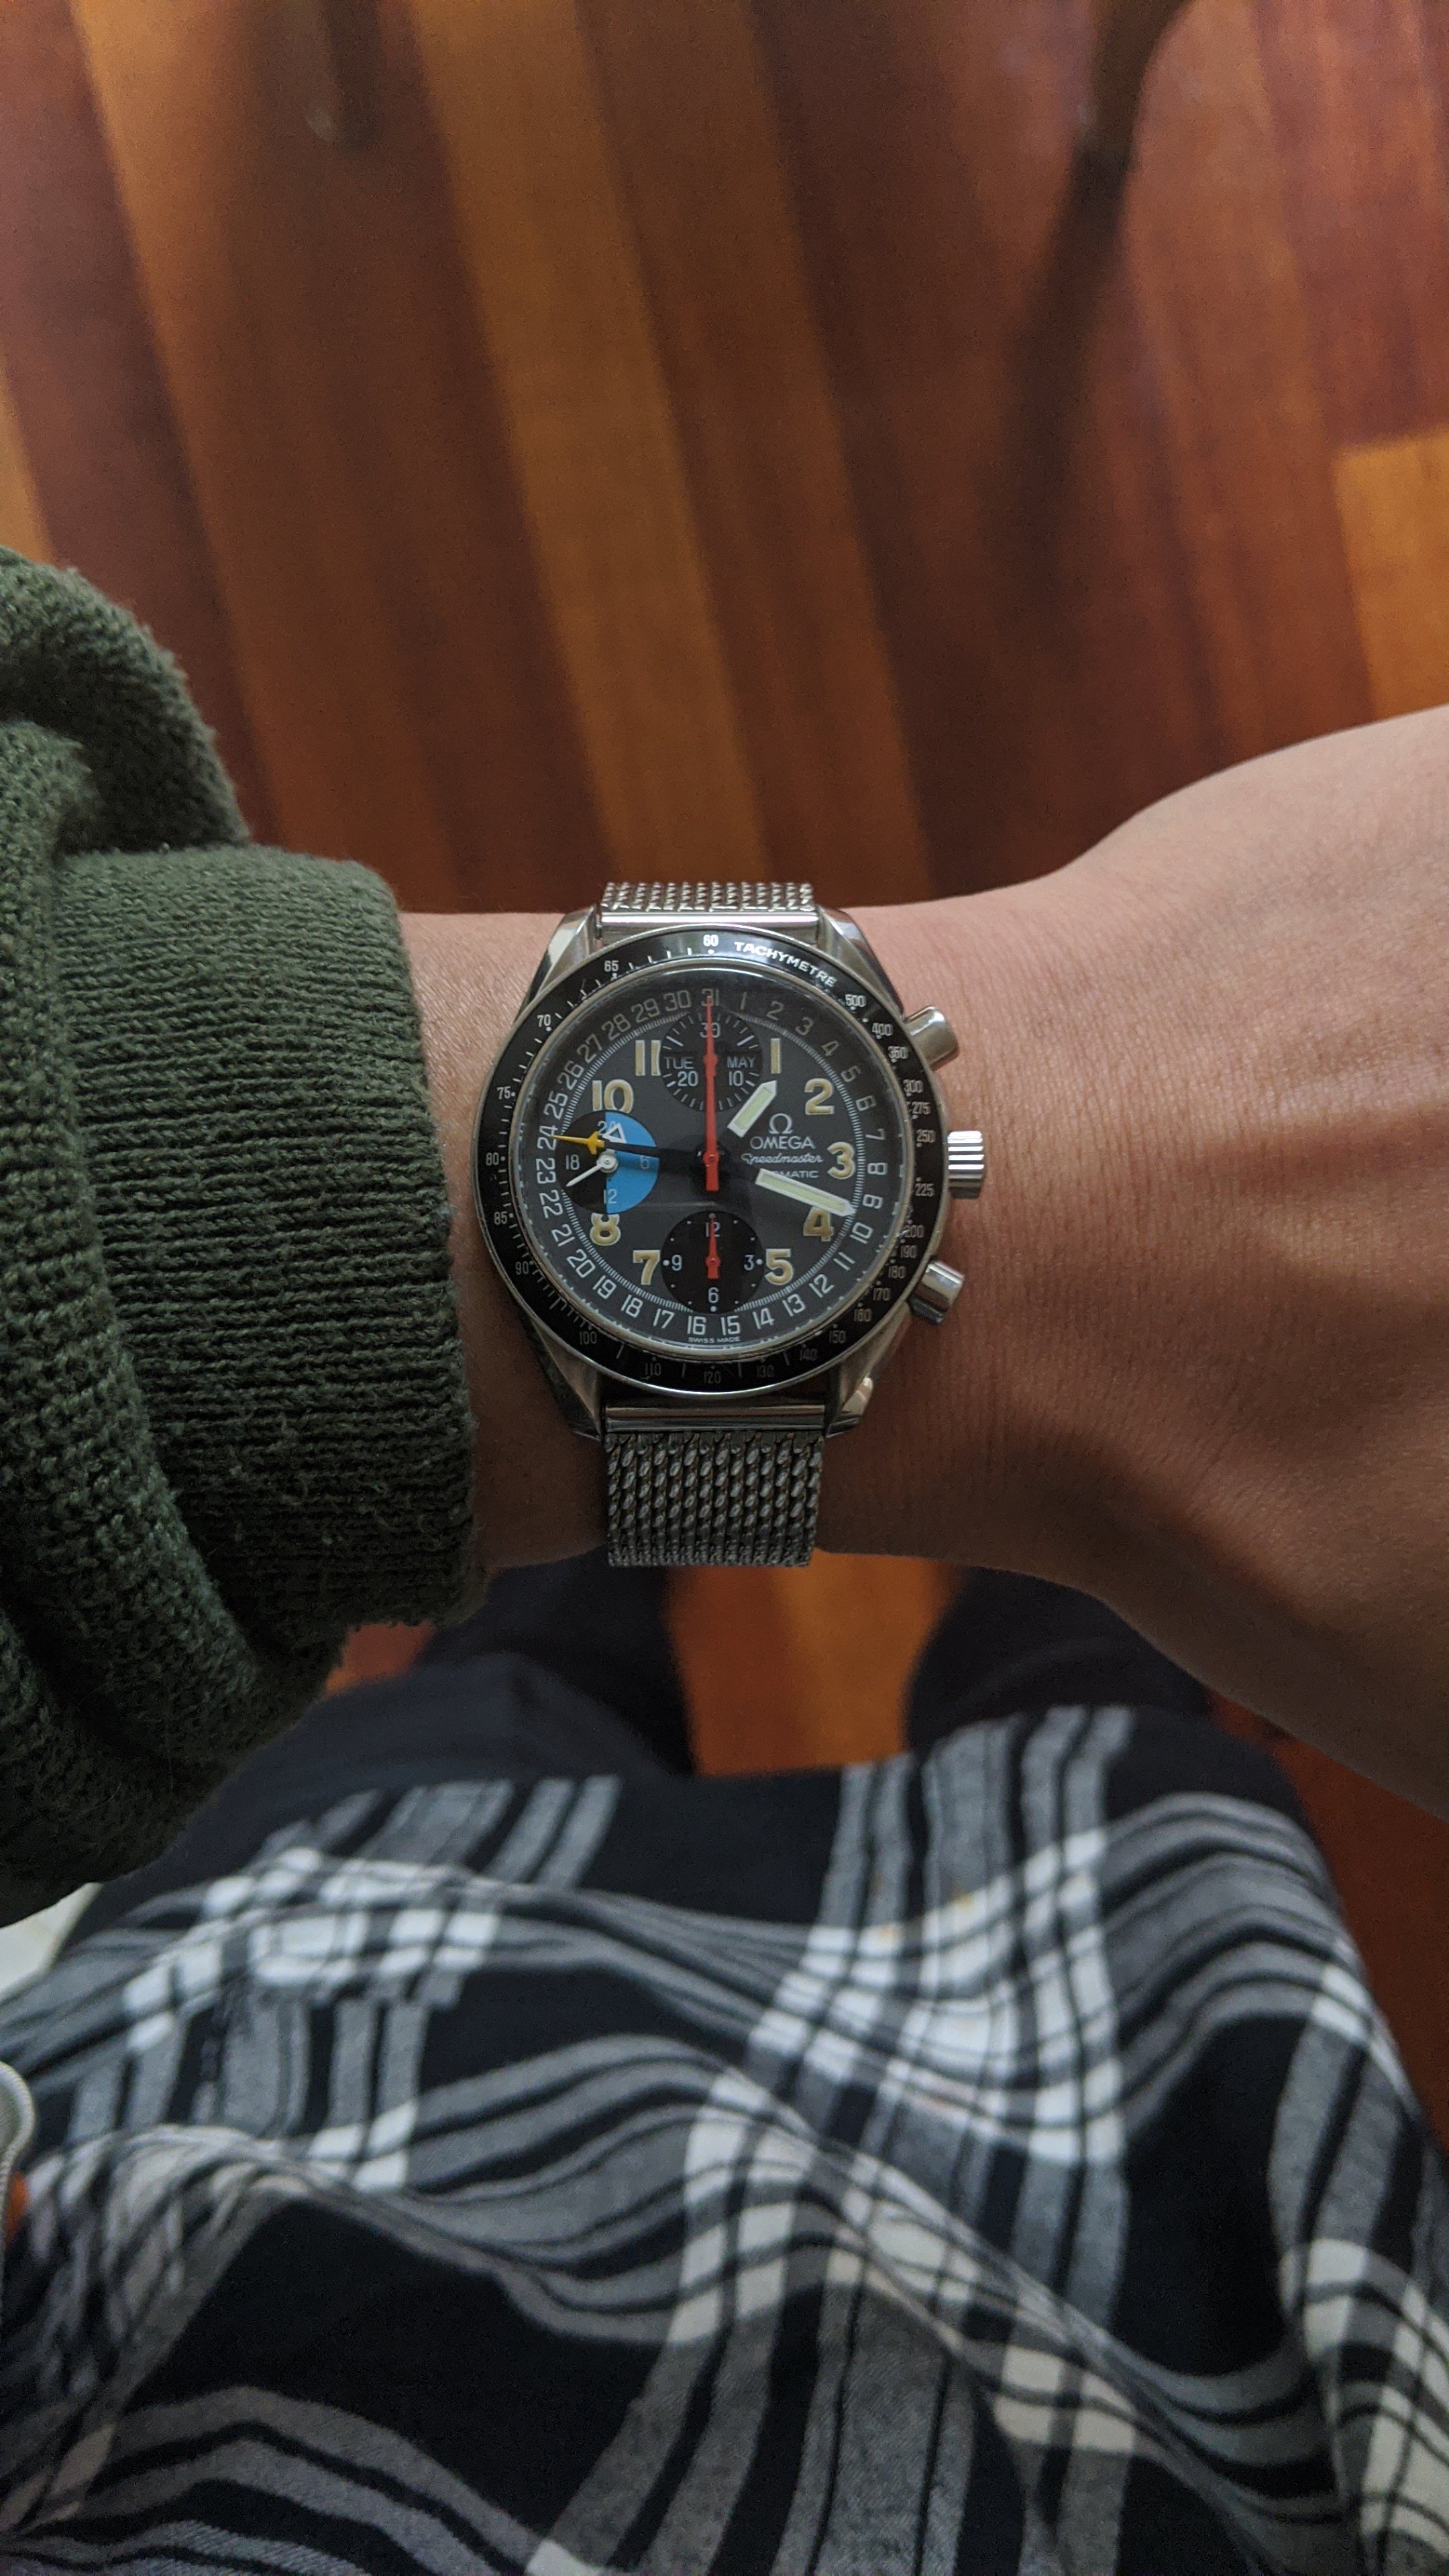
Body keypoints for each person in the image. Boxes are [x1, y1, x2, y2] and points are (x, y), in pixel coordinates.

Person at [0, 548, 1444, 2572]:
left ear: (933, 1170)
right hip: (1133, 2175)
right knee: (1080, 1699)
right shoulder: (875, 1165)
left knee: (504, 1689)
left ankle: (687, 1533)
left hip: (318, 2010)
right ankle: (972, 1551)